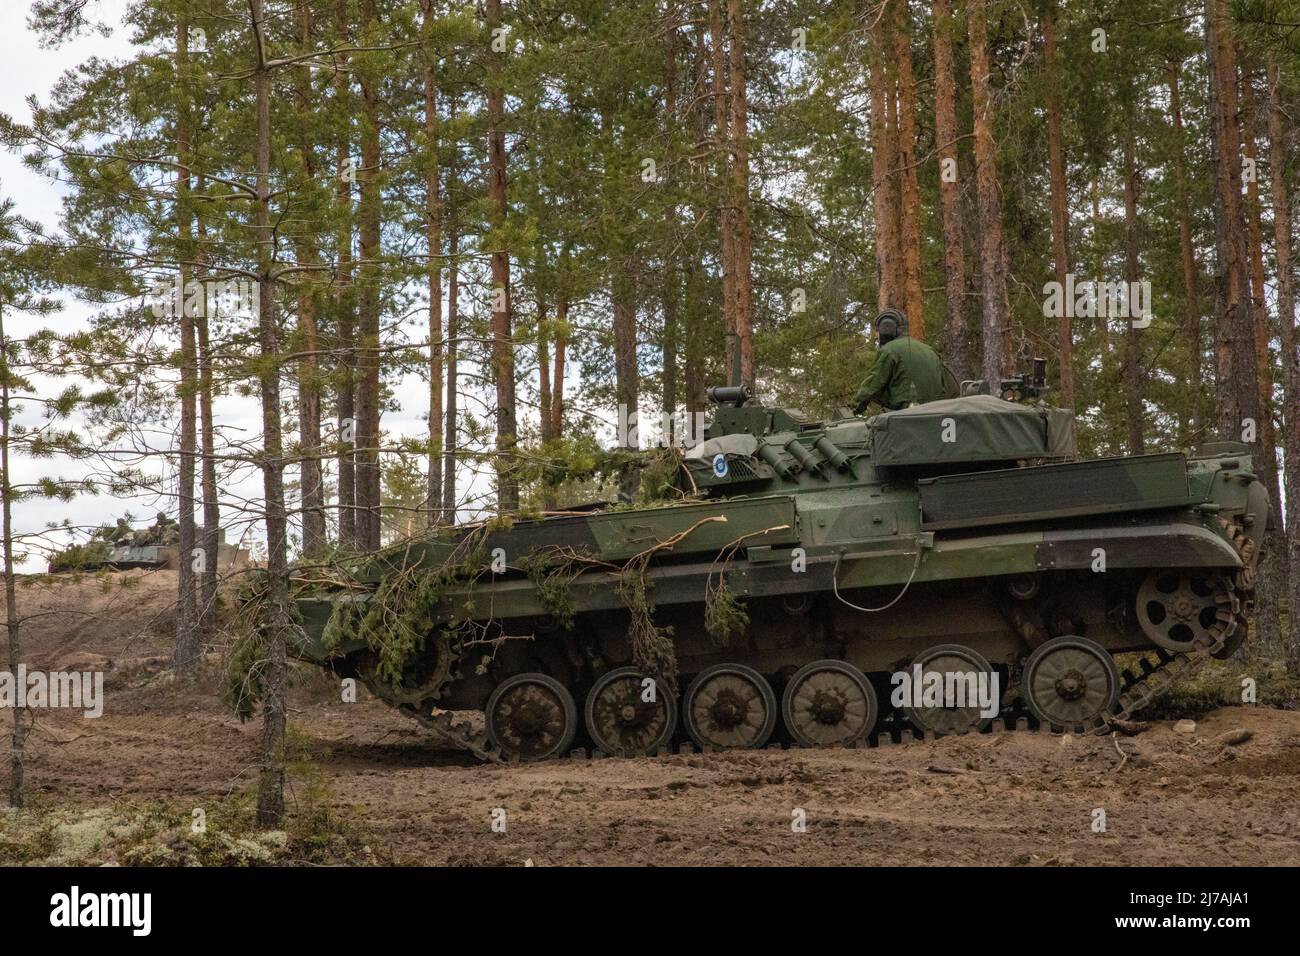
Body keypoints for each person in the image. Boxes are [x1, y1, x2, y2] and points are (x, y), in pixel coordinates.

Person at [852, 309, 952, 414]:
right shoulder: (929, 349)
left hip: (906, 413)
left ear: (886, 328)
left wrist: (855, 407)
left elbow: (873, 384)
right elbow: (949, 385)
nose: (877, 335)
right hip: (938, 411)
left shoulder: (889, 350)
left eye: (878, 330)